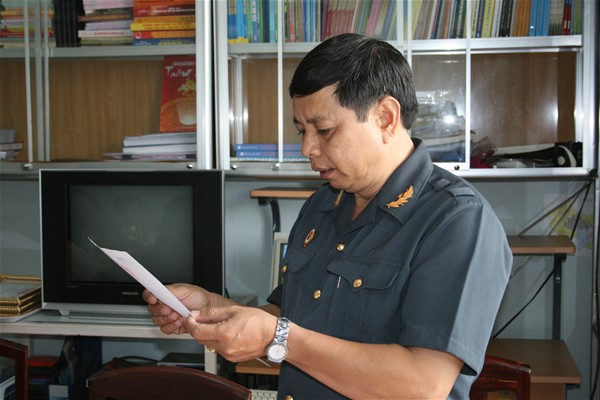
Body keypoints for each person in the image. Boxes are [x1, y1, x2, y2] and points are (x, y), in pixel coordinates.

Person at [143, 33, 512, 400]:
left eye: (324, 130)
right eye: (302, 131)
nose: (307, 148)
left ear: (385, 118)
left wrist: (279, 337)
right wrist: (217, 309)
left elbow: (423, 385)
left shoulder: (457, 221)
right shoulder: (323, 204)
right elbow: (290, 316)